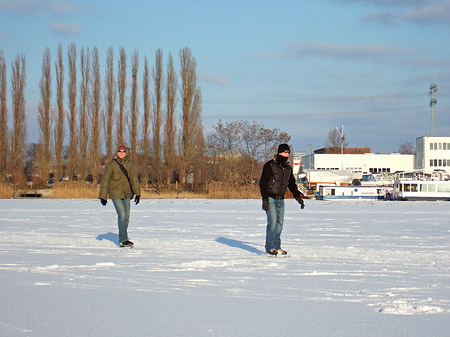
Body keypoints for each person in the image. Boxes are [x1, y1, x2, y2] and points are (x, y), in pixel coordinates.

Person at [259, 143, 305, 256]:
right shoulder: (270, 165)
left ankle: (277, 246)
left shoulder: (288, 168)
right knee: (273, 222)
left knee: (279, 224)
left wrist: (298, 197)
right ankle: (269, 247)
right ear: (279, 153)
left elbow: (292, 184)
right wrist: (264, 198)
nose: (286, 154)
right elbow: (262, 183)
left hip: (281, 199)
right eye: (284, 152)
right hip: (270, 198)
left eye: (288, 153)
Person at [99, 145, 141, 248]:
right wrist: (103, 196)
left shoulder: (130, 165)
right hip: (115, 194)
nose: (121, 153)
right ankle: (123, 240)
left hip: (127, 193)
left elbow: (134, 180)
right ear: (117, 153)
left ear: (126, 153)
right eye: (119, 151)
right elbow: (105, 180)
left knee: (127, 217)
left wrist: (138, 193)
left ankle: (124, 238)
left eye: (123, 151)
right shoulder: (112, 165)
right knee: (122, 215)